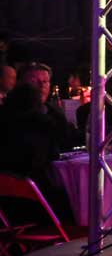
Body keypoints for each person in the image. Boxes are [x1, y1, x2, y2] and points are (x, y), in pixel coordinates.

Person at [0, 83, 75, 224]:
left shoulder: (4, 124)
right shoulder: (43, 125)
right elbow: (54, 156)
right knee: (72, 196)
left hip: (6, 207)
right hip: (37, 204)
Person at [17, 62, 80, 149]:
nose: (41, 85)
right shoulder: (9, 115)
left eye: (45, 81)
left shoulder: (56, 115)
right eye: (34, 81)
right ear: (20, 83)